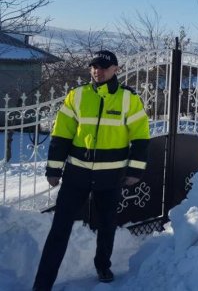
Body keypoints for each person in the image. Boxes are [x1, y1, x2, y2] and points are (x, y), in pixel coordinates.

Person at [33, 50, 150, 291]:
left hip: (111, 176)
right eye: (94, 66)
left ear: (116, 69)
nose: (99, 71)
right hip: (77, 174)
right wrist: (53, 169)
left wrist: (135, 170)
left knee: (106, 225)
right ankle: (42, 283)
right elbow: (61, 135)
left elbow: (140, 137)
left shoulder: (129, 99)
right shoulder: (76, 96)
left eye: (104, 67)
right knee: (59, 229)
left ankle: (103, 265)